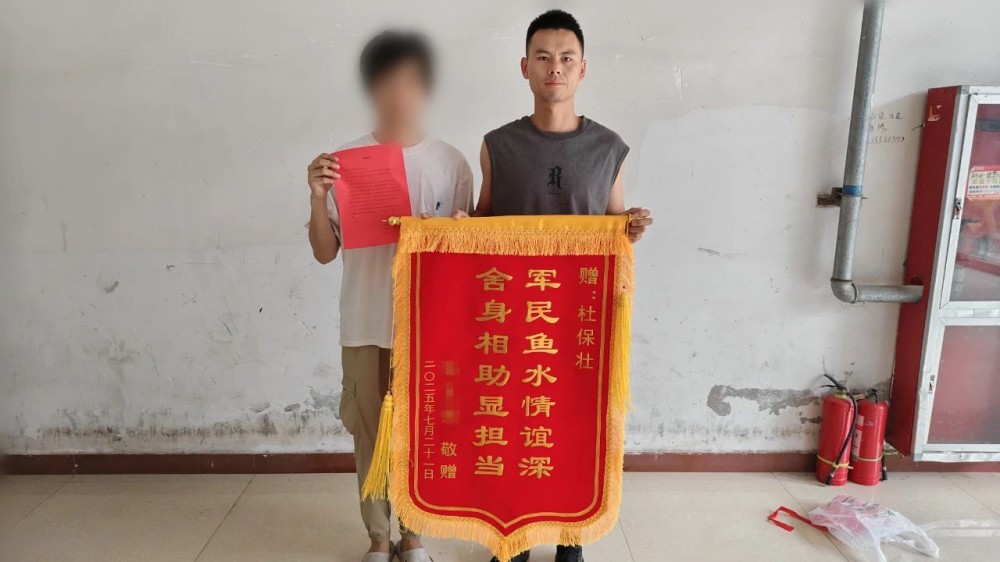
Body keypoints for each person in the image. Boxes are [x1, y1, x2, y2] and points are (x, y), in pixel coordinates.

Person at [456, 10, 653, 562]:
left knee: (575, 426)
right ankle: (513, 536)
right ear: (525, 67)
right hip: (511, 319)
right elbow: (485, 222)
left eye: (566, 58)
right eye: (543, 57)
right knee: (512, 423)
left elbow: (614, 229)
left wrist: (631, 228)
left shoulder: (609, 148)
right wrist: (464, 228)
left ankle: (572, 538)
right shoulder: (498, 145)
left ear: (583, 69)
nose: (555, 68)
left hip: (581, 317)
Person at [307, 30, 473, 562]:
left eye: (409, 82)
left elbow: (467, 258)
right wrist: (317, 197)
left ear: (426, 88)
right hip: (364, 319)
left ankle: (414, 534)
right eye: (386, 82)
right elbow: (324, 252)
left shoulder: (451, 163)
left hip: (428, 326)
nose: (398, 94)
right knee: (369, 431)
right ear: (371, 88)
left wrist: (452, 232)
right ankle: (379, 537)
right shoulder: (344, 162)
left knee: (424, 432)